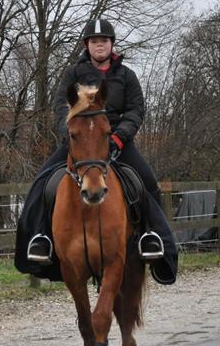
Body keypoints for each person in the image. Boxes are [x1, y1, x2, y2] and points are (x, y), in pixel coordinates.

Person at [14, 17, 177, 285]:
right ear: (87, 45)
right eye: (93, 41)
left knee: (147, 182)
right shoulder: (73, 74)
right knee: (41, 183)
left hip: (115, 141)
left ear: (111, 45)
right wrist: (70, 135)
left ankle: (153, 239)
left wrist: (119, 137)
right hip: (79, 144)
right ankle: (41, 239)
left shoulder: (126, 76)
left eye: (103, 41)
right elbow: (59, 107)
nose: (98, 45)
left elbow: (136, 110)